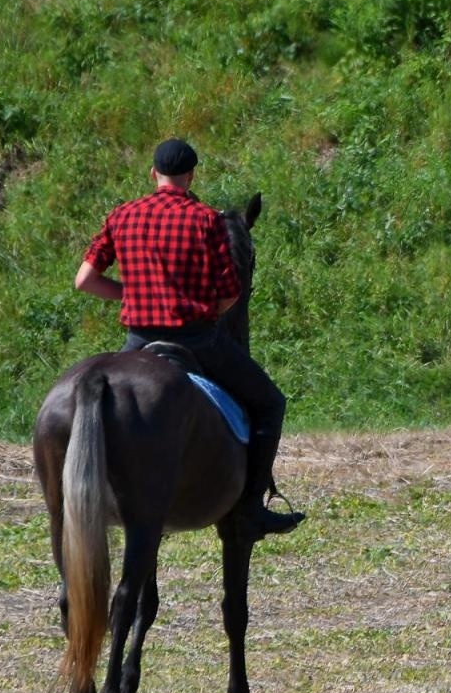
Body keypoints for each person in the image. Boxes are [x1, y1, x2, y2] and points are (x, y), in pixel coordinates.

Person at [75, 138, 305, 540]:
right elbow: (230, 293)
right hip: (195, 340)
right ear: (191, 176)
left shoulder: (122, 215)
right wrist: (205, 310)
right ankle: (251, 507)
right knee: (270, 404)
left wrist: (129, 294)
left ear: (153, 174)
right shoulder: (206, 220)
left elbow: (85, 281)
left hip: (138, 341)